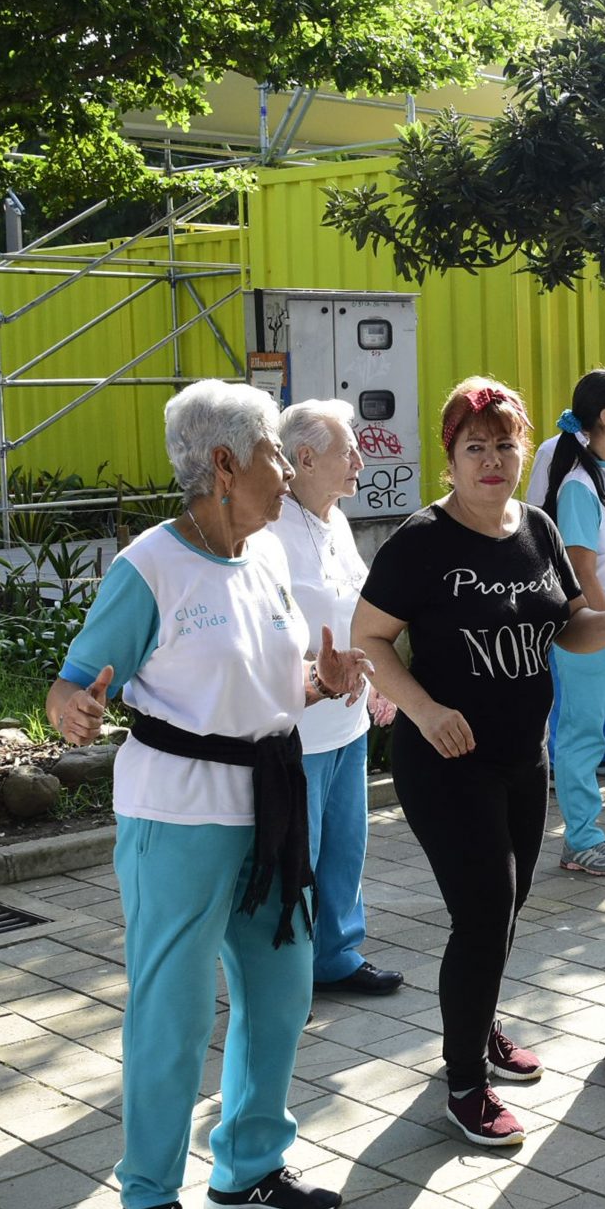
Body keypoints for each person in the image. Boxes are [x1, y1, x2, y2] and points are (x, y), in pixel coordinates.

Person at [50, 380, 370, 1209]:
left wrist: (326, 683)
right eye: (274, 452)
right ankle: (148, 1192)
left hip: (269, 801)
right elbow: (72, 680)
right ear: (224, 466)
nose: (285, 469)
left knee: (283, 988)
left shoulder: (264, 557)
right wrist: (72, 709)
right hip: (178, 812)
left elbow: (274, 689)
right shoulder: (150, 565)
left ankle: (248, 1168)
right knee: (175, 1009)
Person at [356, 379, 605, 1145]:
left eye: (504, 444)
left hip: (525, 758)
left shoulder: (540, 529)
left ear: (525, 450)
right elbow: (368, 638)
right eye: (474, 447)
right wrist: (423, 708)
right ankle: (464, 1082)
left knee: (506, 907)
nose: (492, 459)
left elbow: (568, 630)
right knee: (485, 912)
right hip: (446, 761)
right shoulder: (420, 542)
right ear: (449, 459)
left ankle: (479, 1025)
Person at [268, 399, 403, 995]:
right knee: (299, 856)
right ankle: (287, 972)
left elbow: (356, 614)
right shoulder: (268, 530)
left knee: (345, 849)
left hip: (347, 724)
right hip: (300, 725)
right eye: (346, 450)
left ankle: (338, 956)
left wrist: (378, 681)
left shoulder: (338, 521)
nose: (360, 459)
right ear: (303, 459)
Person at [544, 368, 605, 875]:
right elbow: (582, 571)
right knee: (582, 736)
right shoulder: (580, 487)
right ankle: (580, 840)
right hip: (591, 634)